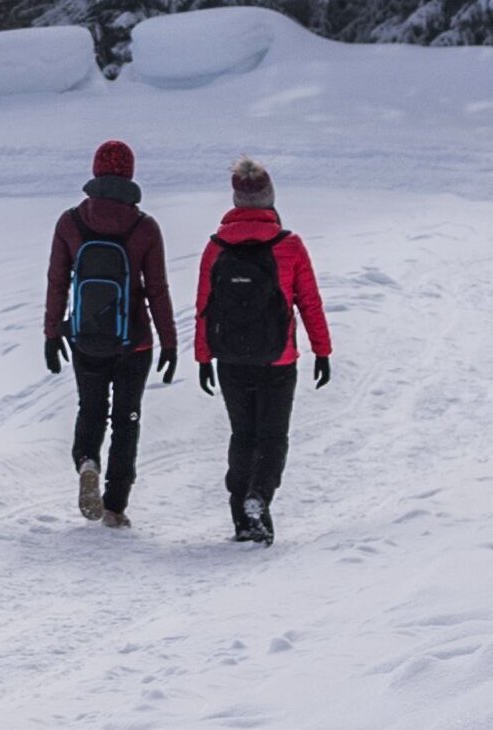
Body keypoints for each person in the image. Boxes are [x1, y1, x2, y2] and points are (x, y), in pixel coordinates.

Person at [191, 157, 334, 548]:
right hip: (278, 359)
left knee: (243, 435)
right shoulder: (289, 246)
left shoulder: (215, 247)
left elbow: (204, 304)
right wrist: (322, 350)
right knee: (272, 437)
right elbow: (309, 302)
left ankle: (242, 517)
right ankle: (260, 496)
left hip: (231, 360)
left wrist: (203, 357)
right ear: (269, 199)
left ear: (236, 201)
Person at [40, 138, 174, 527]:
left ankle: (87, 462)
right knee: (126, 419)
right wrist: (170, 342)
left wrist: (52, 333)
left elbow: (57, 282)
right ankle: (115, 505)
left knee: (91, 409)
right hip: (134, 341)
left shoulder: (71, 221)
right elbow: (158, 289)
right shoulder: (144, 227)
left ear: (95, 171)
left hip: (86, 338)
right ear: (130, 174)